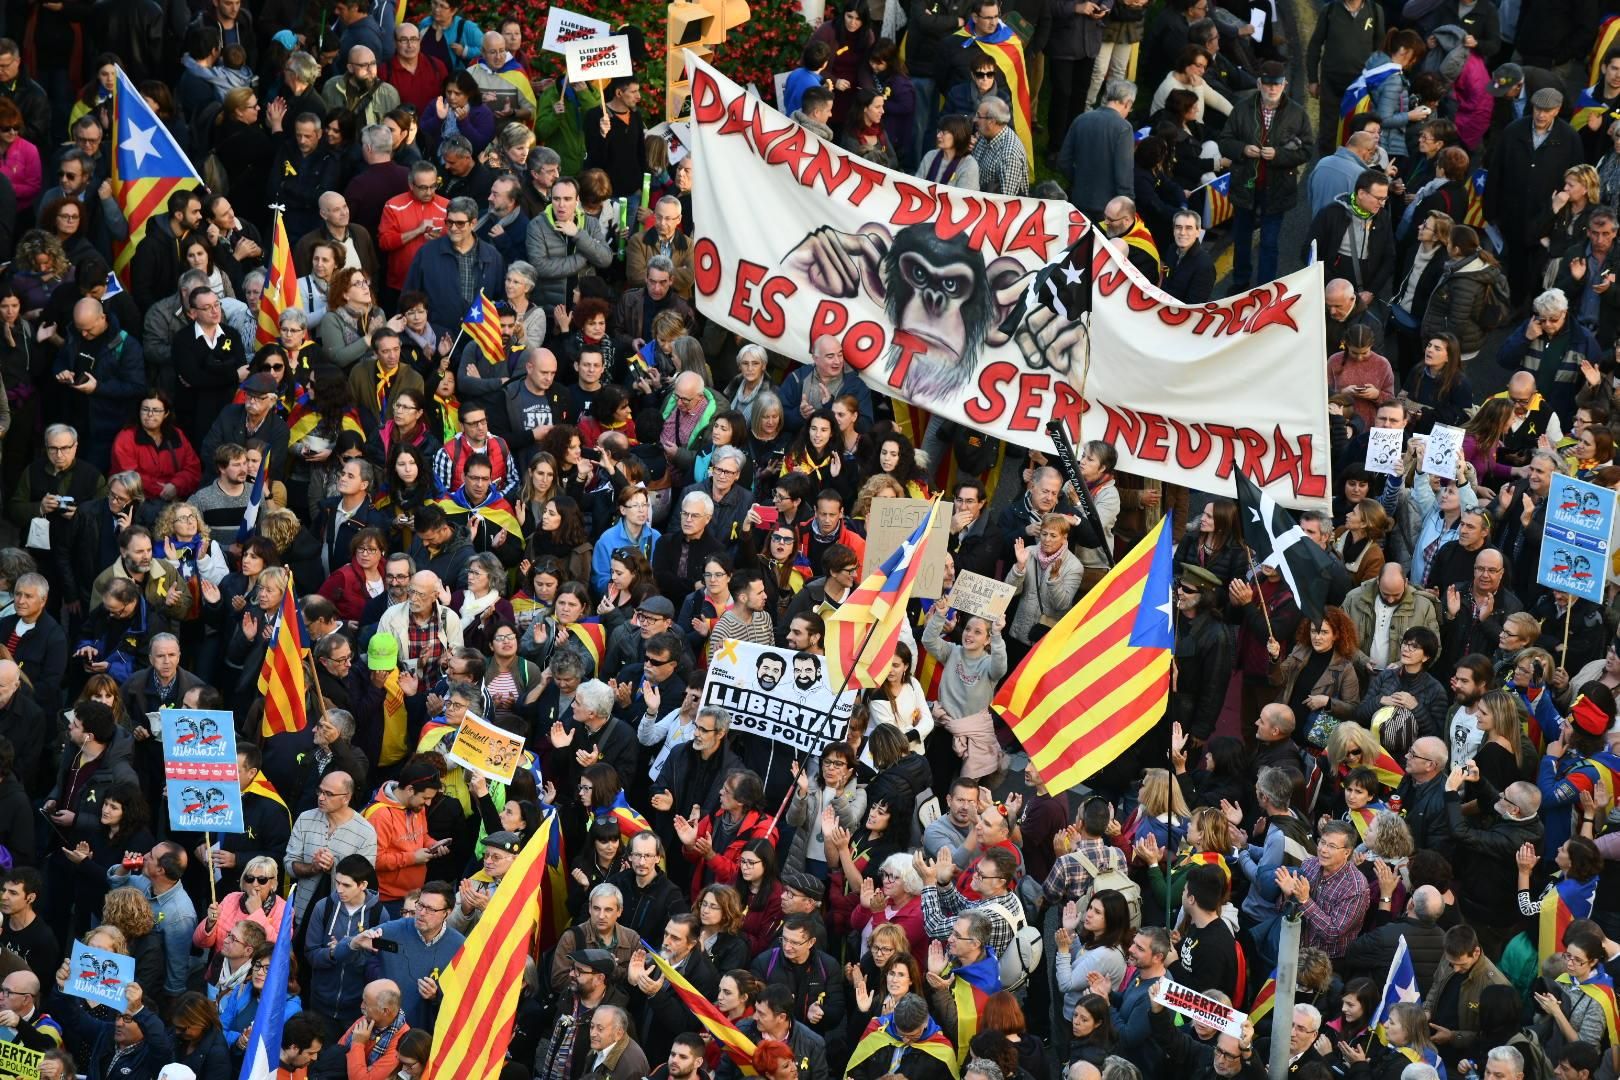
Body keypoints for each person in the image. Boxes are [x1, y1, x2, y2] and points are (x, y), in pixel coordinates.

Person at [1220, 63, 1313, 290]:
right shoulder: (1241, 109)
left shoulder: (1297, 113)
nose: (1272, 89)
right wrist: (1242, 149)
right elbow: (1225, 141)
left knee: (1269, 242)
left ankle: (1263, 290)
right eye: (1268, 84)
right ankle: (1240, 284)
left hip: (1278, 188)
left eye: (1277, 84)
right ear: (1259, 84)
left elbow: (1307, 150)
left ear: (1285, 84)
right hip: (1245, 185)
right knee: (1241, 240)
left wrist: (1279, 155)